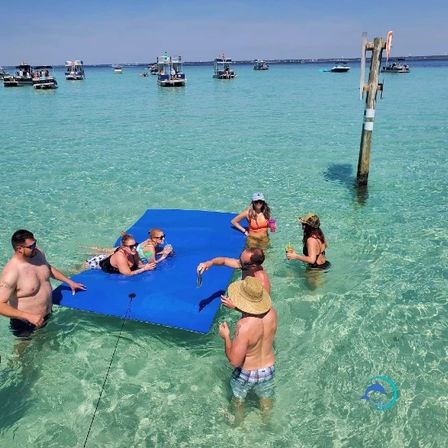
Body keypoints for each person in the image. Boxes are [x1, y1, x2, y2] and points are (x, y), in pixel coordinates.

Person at [0, 229, 86, 337]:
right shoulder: (11, 273)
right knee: (22, 352)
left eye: (35, 243)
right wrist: (28, 316)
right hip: (26, 322)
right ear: (19, 249)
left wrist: (69, 282)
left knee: (43, 344)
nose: (35, 247)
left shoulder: (38, 254)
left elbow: (47, 269)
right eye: (31, 246)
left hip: (46, 314)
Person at [219, 276, 277, 418]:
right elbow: (257, 321)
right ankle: (267, 424)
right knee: (265, 400)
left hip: (247, 372)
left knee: (238, 401)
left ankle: (238, 428)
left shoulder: (243, 326)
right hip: (268, 369)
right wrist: (237, 308)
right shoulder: (272, 313)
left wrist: (226, 336)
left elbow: (234, 361)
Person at [197, 247, 270, 293]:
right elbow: (224, 261)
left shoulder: (261, 282)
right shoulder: (245, 266)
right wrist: (209, 263)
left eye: (241, 262)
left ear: (253, 266)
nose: (238, 262)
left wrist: (234, 307)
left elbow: (262, 308)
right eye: (240, 259)